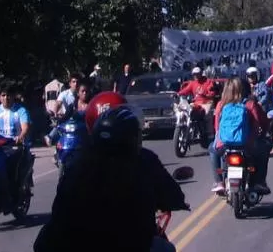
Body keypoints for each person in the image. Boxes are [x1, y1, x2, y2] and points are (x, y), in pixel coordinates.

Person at [34, 103, 189, 252]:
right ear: (133, 139)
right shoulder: (143, 161)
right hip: (130, 245)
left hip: (77, 244)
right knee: (166, 248)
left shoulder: (78, 162)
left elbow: (59, 208)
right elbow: (173, 196)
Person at [208, 78, 270, 195]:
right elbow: (258, 125)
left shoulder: (221, 105)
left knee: (212, 148)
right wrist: (262, 134)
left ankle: (219, 182)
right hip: (247, 145)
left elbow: (217, 128)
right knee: (264, 147)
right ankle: (259, 182)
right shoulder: (250, 104)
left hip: (224, 145)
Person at [177, 67, 219, 139]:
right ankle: (188, 128)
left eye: (197, 74)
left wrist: (206, 95)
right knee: (185, 110)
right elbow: (186, 90)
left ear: (200, 74)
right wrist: (178, 93)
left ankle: (210, 135)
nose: (196, 76)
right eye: (194, 74)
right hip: (196, 103)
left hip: (207, 103)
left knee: (207, 115)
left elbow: (212, 92)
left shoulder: (208, 82)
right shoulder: (192, 83)